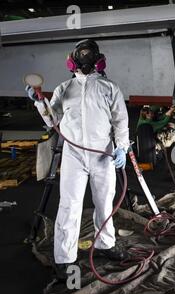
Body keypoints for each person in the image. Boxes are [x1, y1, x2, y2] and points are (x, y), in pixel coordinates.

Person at [26, 39, 130, 279]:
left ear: (97, 59)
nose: (84, 58)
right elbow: (52, 121)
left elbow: (121, 121)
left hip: (103, 155)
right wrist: (39, 101)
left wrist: (122, 148)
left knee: (105, 201)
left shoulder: (109, 88)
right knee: (69, 205)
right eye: (80, 53)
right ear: (72, 60)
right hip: (74, 157)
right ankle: (64, 258)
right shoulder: (64, 89)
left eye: (88, 53)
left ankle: (106, 244)